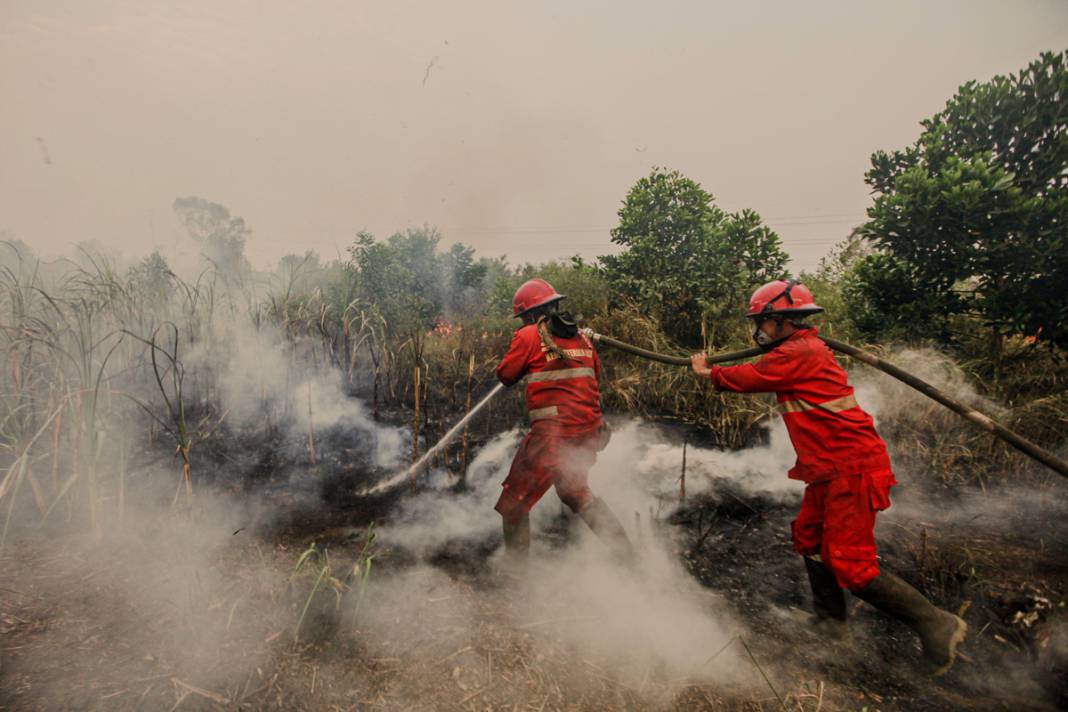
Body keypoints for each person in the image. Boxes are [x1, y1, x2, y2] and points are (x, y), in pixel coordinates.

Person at [690, 279, 967, 674]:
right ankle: (830, 624)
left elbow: (752, 377)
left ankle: (937, 624)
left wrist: (708, 372)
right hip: (830, 469)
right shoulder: (800, 347)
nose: (758, 330)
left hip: (852, 468)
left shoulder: (799, 351)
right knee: (810, 539)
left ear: (782, 320)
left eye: (762, 322)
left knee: (851, 564)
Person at [494, 278, 634, 569]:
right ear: (554, 306)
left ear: (531, 314)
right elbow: (593, 378)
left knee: (513, 503)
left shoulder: (529, 335)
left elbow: (506, 375)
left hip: (553, 436)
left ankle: (514, 576)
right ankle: (629, 557)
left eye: (524, 318)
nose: (524, 323)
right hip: (587, 431)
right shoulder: (583, 339)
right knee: (576, 492)